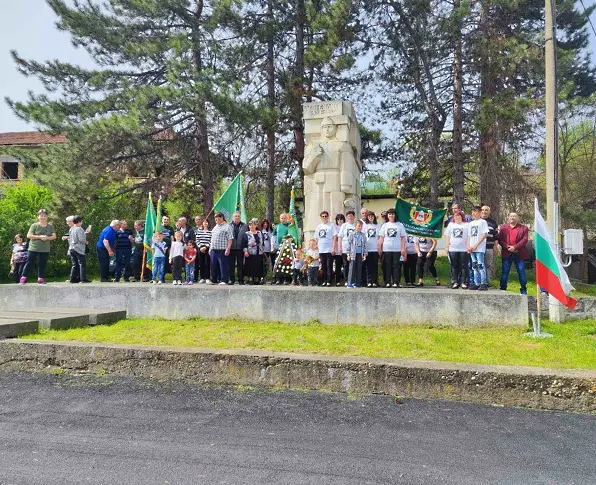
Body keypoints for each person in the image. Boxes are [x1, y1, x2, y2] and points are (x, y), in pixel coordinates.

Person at [20, 209, 57, 285]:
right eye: (41, 216)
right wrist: (39, 237)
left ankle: (40, 278)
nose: (43, 217)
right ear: (38, 217)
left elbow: (54, 236)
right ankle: (23, 277)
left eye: (44, 216)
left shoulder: (50, 226)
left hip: (45, 248)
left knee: (42, 263)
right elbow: (29, 235)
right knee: (29, 262)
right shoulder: (34, 225)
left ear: (47, 217)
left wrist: (47, 238)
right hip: (34, 248)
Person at [498, 212, 529, 295]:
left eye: (514, 216)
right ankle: (503, 289)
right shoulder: (503, 227)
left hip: (519, 254)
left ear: (517, 218)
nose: (512, 218)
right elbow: (500, 240)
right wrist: (508, 247)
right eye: (511, 216)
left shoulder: (524, 228)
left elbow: (525, 240)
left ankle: (523, 290)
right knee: (505, 273)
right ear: (508, 217)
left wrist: (515, 247)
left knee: (521, 273)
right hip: (506, 253)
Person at [378, 208, 407, 288]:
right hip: (386, 249)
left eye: (393, 214)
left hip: (397, 249)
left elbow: (403, 238)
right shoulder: (385, 225)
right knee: (387, 266)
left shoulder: (400, 225)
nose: (391, 215)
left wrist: (403, 249)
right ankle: (387, 282)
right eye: (390, 214)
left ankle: (395, 282)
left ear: (395, 215)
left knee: (396, 266)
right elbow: (381, 237)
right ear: (387, 215)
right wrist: (379, 247)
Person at [467, 206, 489, 291]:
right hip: (472, 248)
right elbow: (469, 236)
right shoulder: (471, 223)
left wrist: (476, 245)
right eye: (472, 211)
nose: (473, 213)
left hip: (479, 248)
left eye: (475, 211)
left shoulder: (483, 222)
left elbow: (484, 235)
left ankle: (483, 283)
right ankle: (477, 283)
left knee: (480, 265)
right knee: (474, 266)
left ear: (480, 212)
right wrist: (468, 246)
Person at [445, 212, 469, 289]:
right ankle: (455, 282)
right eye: (455, 216)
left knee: (464, 266)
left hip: (464, 249)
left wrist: (468, 246)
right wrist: (447, 246)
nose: (456, 217)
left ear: (462, 217)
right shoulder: (451, 225)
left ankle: (463, 282)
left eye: (458, 216)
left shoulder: (466, 225)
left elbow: (469, 236)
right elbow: (448, 236)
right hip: (453, 248)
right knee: (454, 265)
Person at [314, 211, 337, 286]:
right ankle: (324, 280)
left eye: (325, 216)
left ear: (328, 216)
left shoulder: (331, 225)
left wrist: (333, 248)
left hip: (329, 249)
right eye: (323, 216)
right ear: (321, 217)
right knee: (323, 266)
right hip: (321, 249)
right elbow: (316, 238)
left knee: (329, 265)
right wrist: (315, 247)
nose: (324, 217)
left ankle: (329, 281)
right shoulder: (319, 226)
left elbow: (334, 237)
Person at [209, 212, 233, 285]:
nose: (216, 219)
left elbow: (230, 239)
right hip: (213, 249)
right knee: (213, 265)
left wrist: (228, 249)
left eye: (217, 218)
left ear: (222, 218)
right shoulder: (215, 227)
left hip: (222, 250)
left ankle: (224, 280)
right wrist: (210, 248)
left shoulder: (227, 226)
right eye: (215, 218)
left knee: (223, 266)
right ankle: (213, 279)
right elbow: (212, 239)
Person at [68, 215, 91, 283]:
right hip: (78, 248)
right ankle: (83, 279)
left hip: (72, 248)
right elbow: (81, 239)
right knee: (82, 264)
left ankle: (72, 279)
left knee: (75, 264)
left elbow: (70, 237)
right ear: (78, 221)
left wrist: (84, 234)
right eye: (81, 221)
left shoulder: (71, 228)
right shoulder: (79, 228)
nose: (82, 222)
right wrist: (86, 242)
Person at [228, 212, 248, 285]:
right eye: (235, 216)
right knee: (231, 265)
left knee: (240, 264)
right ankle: (231, 279)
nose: (237, 217)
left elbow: (247, 237)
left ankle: (241, 279)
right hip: (232, 248)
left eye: (238, 216)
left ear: (240, 217)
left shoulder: (245, 226)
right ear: (233, 217)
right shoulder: (229, 225)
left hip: (240, 248)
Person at [242, 218, 264, 285]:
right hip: (250, 252)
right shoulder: (247, 234)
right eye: (250, 225)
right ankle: (251, 279)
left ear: (256, 225)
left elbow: (262, 242)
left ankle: (257, 279)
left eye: (253, 225)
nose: (251, 226)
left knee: (258, 266)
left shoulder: (259, 233)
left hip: (259, 252)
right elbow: (244, 243)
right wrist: (245, 251)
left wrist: (263, 249)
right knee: (250, 266)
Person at [346, 220, 367, 288]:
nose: (360, 227)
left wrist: (365, 254)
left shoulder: (363, 235)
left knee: (359, 268)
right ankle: (350, 282)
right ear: (355, 226)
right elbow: (348, 245)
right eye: (359, 226)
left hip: (360, 254)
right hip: (353, 254)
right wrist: (348, 254)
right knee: (352, 268)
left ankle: (357, 283)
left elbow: (365, 245)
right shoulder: (352, 234)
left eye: (361, 226)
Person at [337, 210, 356, 286]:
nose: (350, 217)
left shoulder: (356, 225)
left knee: (353, 265)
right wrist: (339, 248)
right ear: (347, 217)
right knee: (346, 265)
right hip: (345, 249)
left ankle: (353, 280)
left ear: (354, 217)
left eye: (351, 216)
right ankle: (346, 280)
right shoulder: (344, 225)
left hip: (354, 249)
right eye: (348, 216)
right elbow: (340, 237)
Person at [481, 205, 499, 281]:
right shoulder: (476, 222)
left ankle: (488, 281)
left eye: (486, 210)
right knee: (479, 265)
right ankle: (480, 281)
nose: (484, 211)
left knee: (488, 265)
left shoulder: (493, 223)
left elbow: (496, 236)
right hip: (478, 248)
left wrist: (495, 247)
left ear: (489, 212)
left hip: (489, 247)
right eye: (483, 210)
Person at [364, 211, 380, 288]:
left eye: (372, 216)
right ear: (367, 217)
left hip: (375, 249)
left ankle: (374, 281)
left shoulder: (378, 226)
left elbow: (380, 238)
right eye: (369, 216)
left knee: (375, 266)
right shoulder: (365, 226)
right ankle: (369, 281)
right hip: (367, 249)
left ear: (374, 217)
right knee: (368, 266)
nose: (370, 217)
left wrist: (380, 248)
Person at [195, 219, 212, 283]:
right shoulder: (199, 231)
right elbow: (197, 240)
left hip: (207, 249)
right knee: (201, 263)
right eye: (204, 222)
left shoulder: (211, 232)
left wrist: (206, 247)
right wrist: (200, 247)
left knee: (207, 263)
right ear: (202, 223)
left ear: (208, 223)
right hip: (200, 248)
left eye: (206, 222)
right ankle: (202, 278)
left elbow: (211, 240)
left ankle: (207, 278)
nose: (205, 223)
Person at [333, 213, 346, 286]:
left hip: (345, 250)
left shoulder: (346, 227)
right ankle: (337, 281)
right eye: (338, 219)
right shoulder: (335, 227)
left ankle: (346, 280)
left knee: (345, 266)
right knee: (338, 267)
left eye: (341, 219)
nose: (339, 220)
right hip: (337, 251)